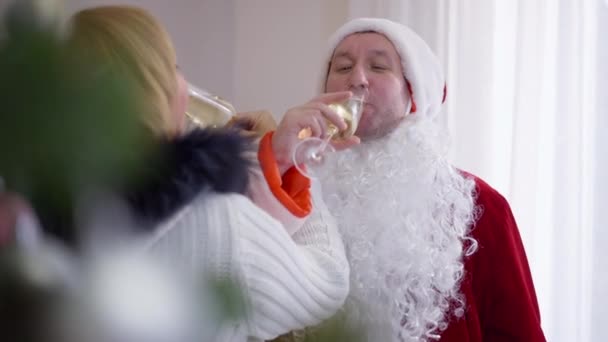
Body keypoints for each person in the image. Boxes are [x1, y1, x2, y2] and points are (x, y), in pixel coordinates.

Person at [25, 5, 350, 341]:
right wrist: (303, 160)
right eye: (176, 69)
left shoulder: (25, 220)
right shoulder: (219, 222)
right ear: (157, 89)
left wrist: (274, 162)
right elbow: (327, 283)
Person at [259, 18, 546, 341]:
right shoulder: (289, 192)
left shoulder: (480, 205)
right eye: (342, 67)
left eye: (379, 67)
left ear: (414, 92)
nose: (357, 79)